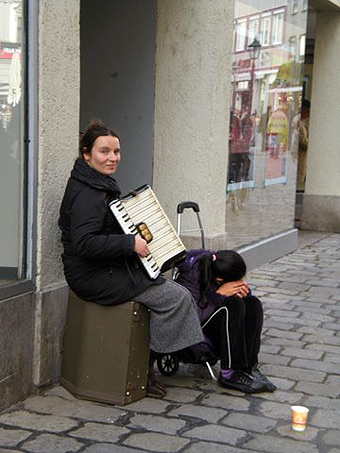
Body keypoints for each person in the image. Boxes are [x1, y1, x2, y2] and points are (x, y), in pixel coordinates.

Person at [58, 121, 204, 398]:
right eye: (104, 151)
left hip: (105, 268)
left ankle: (149, 360)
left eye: (116, 151)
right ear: (86, 154)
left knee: (163, 282)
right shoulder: (89, 192)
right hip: (92, 276)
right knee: (177, 298)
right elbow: (84, 243)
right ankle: (144, 368)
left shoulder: (93, 181)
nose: (112, 158)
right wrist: (130, 242)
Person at [175, 249, 276, 394]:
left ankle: (249, 367)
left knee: (252, 303)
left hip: (216, 320)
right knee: (233, 306)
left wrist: (242, 291)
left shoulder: (220, 266)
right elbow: (193, 318)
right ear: (219, 280)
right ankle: (229, 372)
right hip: (197, 332)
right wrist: (219, 295)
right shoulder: (191, 277)